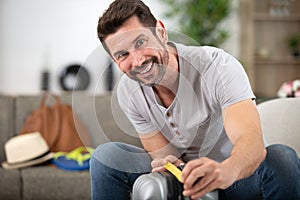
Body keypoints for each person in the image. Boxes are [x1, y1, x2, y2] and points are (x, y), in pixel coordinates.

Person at [90, 0, 300, 199]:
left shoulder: (218, 66)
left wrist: (224, 171)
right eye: (122, 54)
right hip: (186, 181)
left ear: (161, 32)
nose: (137, 61)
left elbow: (251, 143)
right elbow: (165, 155)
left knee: (281, 157)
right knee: (106, 157)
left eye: (141, 42)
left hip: (235, 179)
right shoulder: (128, 91)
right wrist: (168, 164)